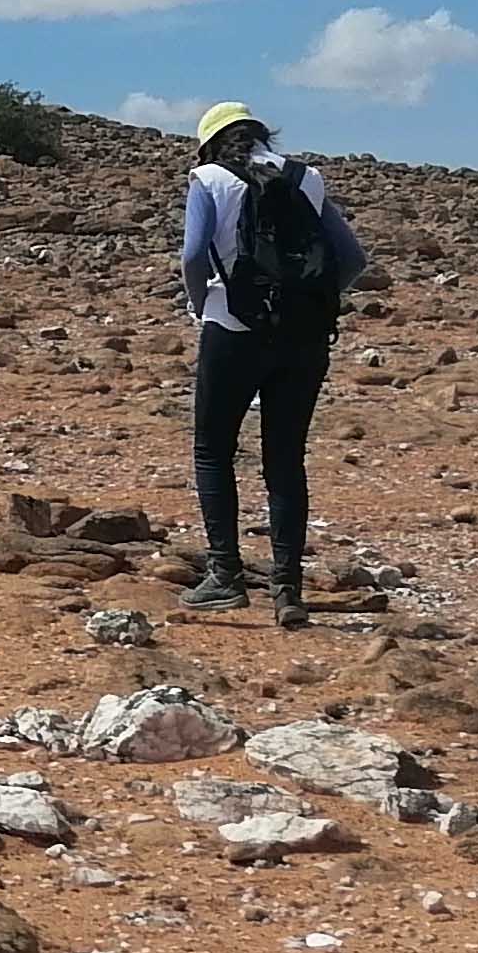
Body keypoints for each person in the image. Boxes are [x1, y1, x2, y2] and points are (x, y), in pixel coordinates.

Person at [174, 101, 366, 625]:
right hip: (305, 338)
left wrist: (201, 303)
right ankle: (288, 592)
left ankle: (225, 577)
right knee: (285, 458)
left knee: (213, 450)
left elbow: (193, 255)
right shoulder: (308, 179)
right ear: (262, 136)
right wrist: (306, 304)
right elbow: (353, 259)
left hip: (233, 329)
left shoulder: (209, 178)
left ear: (210, 142)